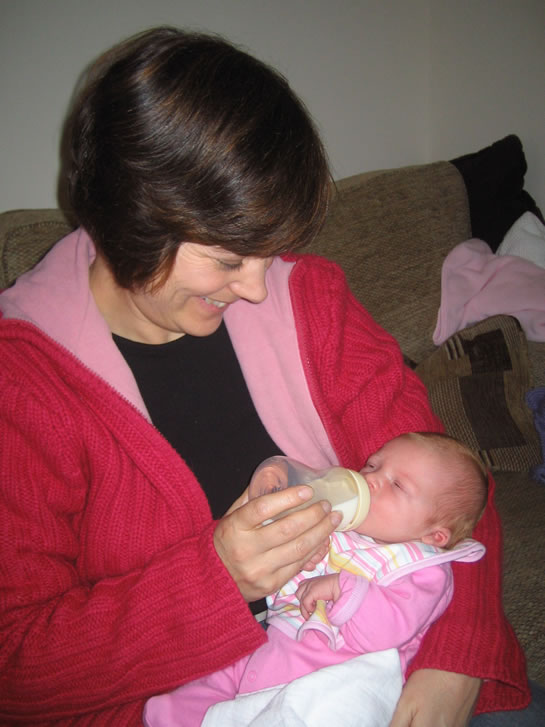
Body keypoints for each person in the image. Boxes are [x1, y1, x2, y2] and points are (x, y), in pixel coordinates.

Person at [0, 25, 533, 727]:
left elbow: (448, 480)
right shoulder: (24, 386)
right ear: (130, 218)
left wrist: (454, 659)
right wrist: (216, 577)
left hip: (366, 660)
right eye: (228, 259)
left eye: (268, 251)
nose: (257, 288)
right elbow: (17, 666)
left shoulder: (307, 300)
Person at [143, 431, 488, 726]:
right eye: (372, 465)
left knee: (319, 713)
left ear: (434, 535)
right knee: (210, 682)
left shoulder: (422, 569)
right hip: (274, 641)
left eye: (397, 485)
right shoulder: (340, 523)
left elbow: (389, 628)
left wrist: (342, 587)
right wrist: (303, 559)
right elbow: (277, 581)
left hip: (336, 672)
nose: (371, 479)